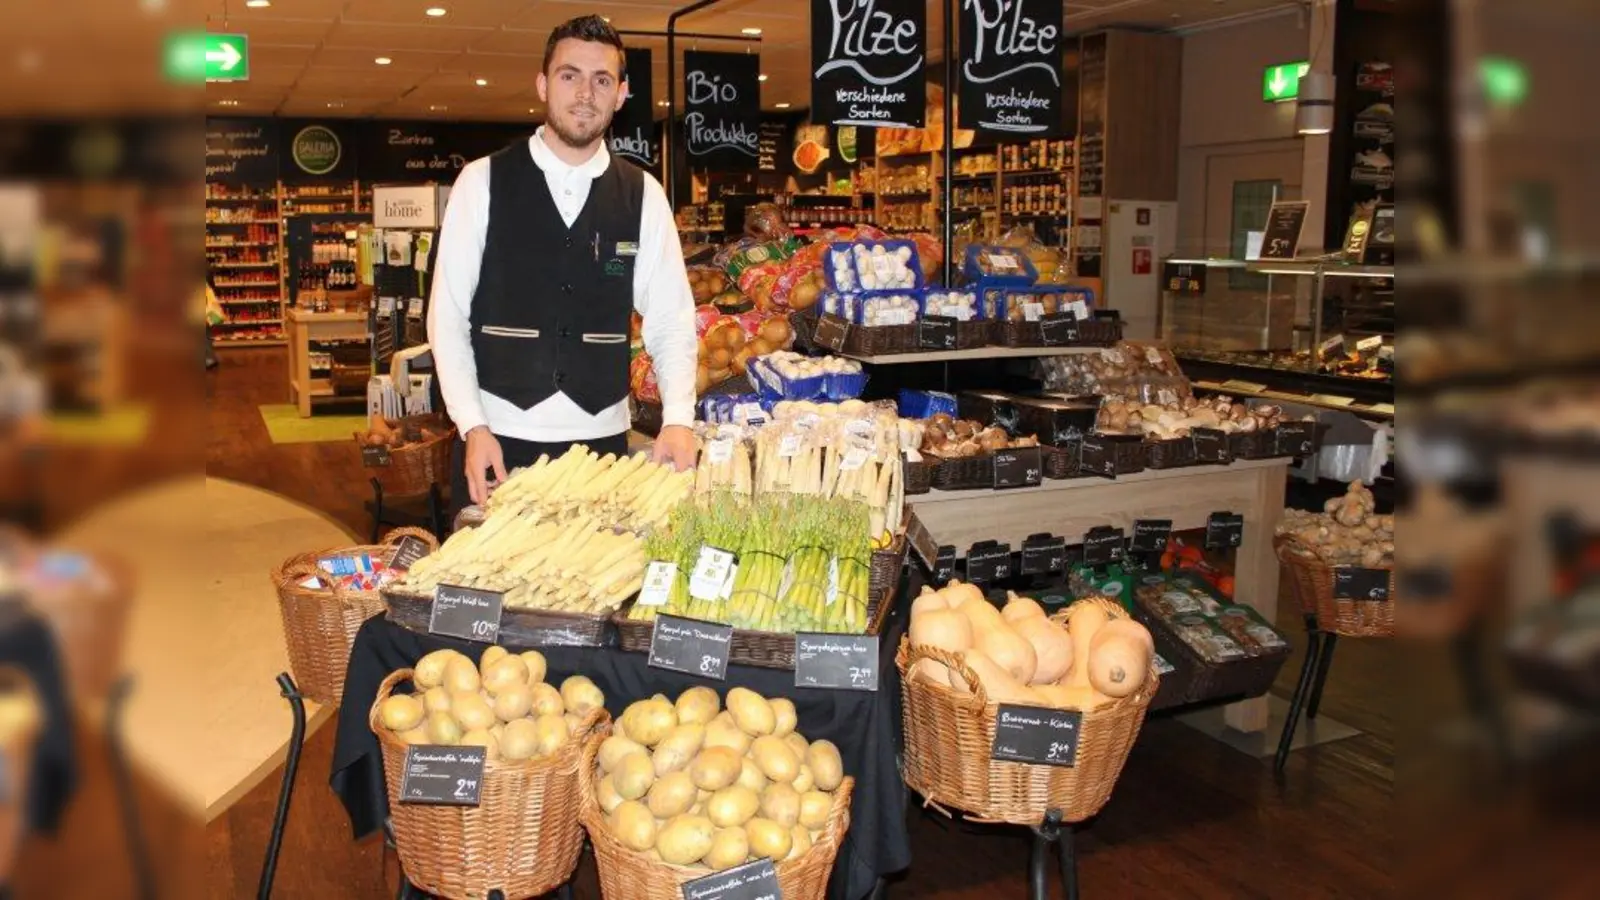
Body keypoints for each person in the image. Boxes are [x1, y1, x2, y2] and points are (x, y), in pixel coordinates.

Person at [428, 15, 697, 516]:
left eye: (602, 80)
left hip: (602, 446)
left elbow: (671, 320)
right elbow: (446, 316)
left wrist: (679, 417)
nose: (585, 93)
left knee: (593, 589)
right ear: (542, 85)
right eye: (569, 75)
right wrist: (472, 424)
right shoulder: (481, 182)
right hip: (500, 441)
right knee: (489, 586)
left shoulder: (643, 195)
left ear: (621, 94)